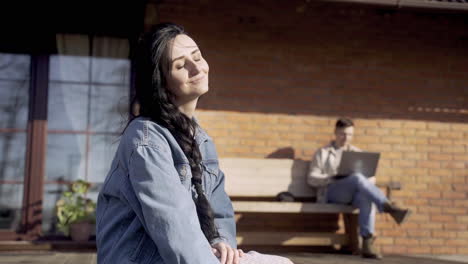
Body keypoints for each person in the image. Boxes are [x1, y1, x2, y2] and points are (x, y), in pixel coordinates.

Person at [95, 23, 293, 264]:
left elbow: (218, 208)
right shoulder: (146, 139)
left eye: (197, 56)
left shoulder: (202, 139)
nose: (195, 66)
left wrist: (220, 242)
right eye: (180, 65)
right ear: (161, 82)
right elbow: (173, 226)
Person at [307, 117, 411, 259]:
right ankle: (387, 206)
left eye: (349, 134)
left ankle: (367, 244)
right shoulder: (323, 152)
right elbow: (311, 178)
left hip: (354, 193)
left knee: (365, 197)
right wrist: (332, 177)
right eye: (343, 134)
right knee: (356, 177)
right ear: (335, 133)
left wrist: (365, 180)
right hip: (331, 192)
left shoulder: (357, 153)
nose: (346, 138)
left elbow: (371, 178)